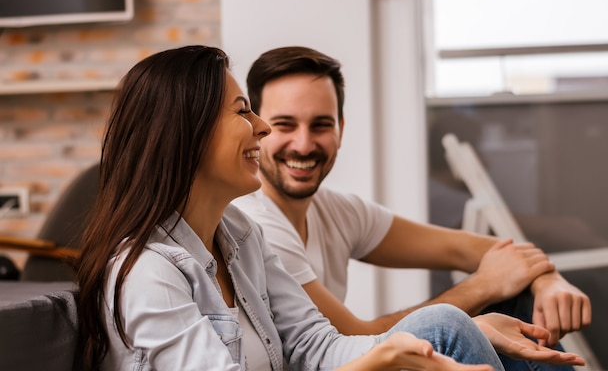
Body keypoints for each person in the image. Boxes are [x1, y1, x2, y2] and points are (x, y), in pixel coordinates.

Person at [74, 45, 519, 371]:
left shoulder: (242, 237)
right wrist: (381, 358)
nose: (262, 127)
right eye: (243, 112)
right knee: (449, 329)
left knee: (449, 326)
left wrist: (442, 332)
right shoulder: (148, 274)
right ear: (189, 134)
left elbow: (316, 344)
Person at [233, 46, 591, 370]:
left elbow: (475, 250)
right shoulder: (255, 223)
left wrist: (548, 280)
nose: (304, 143)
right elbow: (351, 342)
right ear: (258, 128)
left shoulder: (338, 211)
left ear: (341, 129)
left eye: (321, 125)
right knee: (456, 323)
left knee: (516, 303)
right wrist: (482, 288)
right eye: (285, 125)